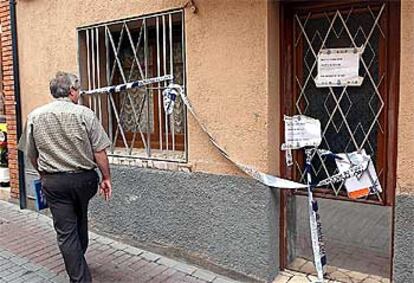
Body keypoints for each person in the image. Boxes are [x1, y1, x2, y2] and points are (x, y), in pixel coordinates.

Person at [18, 71, 112, 282]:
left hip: (54, 182)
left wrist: (43, 174)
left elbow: (31, 153)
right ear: (71, 91)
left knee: (66, 231)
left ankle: (77, 266)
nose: (78, 94)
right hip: (84, 180)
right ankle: (80, 275)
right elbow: (99, 151)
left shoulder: (35, 115)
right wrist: (106, 177)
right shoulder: (85, 114)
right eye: (77, 90)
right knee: (79, 218)